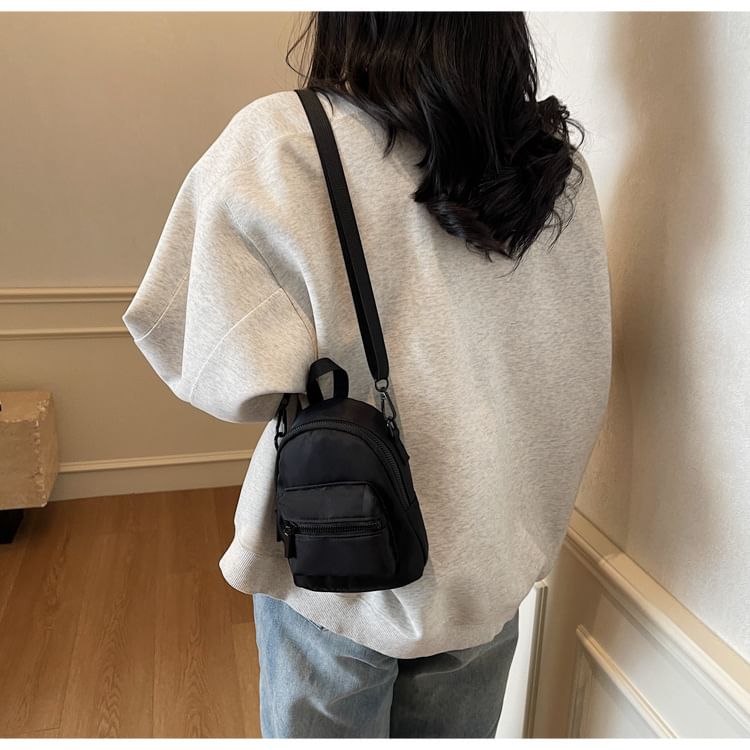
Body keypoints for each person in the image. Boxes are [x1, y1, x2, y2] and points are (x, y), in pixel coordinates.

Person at [122, 11, 612, 739]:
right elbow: (576, 370)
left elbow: (207, 361)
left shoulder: (284, 142)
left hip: (339, 568)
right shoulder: (552, 169)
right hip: (488, 568)